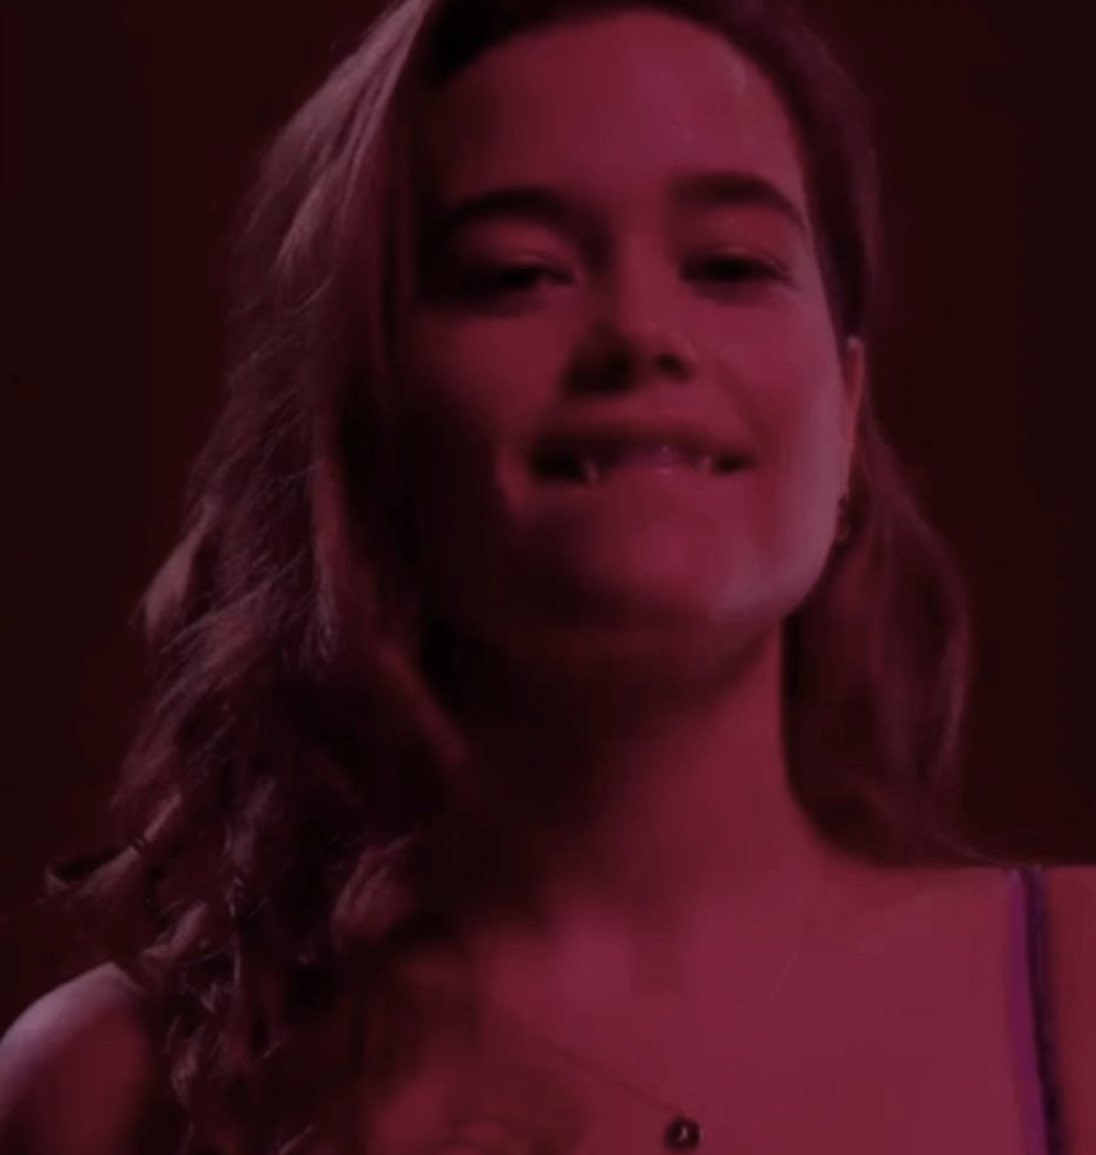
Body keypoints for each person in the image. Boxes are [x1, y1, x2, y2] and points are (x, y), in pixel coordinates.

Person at [1, 0, 1093, 1152]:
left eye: (729, 264)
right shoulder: (105, 1094)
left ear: (847, 414)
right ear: (368, 420)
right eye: (516, 272)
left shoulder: (1080, 999)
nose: (638, 332)